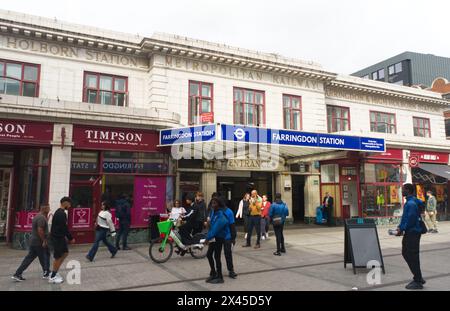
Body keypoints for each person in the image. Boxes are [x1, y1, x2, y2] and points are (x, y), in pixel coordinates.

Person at [396, 183, 425, 290]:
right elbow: (406, 218)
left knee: (411, 255)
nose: (402, 191)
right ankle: (419, 277)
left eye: (403, 189)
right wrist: (400, 227)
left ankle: (418, 280)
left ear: (408, 190)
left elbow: (410, 219)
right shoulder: (411, 202)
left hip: (412, 233)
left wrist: (401, 229)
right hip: (412, 232)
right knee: (408, 254)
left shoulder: (411, 204)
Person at [12, 204, 51, 282]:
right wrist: (44, 240)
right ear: (44, 208)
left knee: (29, 258)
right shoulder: (41, 218)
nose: (49, 209)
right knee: (44, 257)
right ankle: (46, 272)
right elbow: (40, 230)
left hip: (34, 241)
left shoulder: (37, 216)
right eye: (48, 208)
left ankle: (17, 274)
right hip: (39, 242)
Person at [49, 197, 75, 284]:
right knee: (58, 257)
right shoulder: (61, 214)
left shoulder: (60, 212)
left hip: (60, 237)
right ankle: (52, 276)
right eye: (70, 204)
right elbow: (64, 228)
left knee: (65, 253)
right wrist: (70, 238)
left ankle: (55, 271)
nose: (70, 206)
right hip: (58, 238)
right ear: (65, 203)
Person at [205, 197, 229, 284]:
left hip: (219, 238)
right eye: (212, 203)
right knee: (209, 255)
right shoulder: (213, 212)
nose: (213, 205)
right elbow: (211, 226)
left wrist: (207, 238)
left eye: (214, 203)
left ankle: (220, 277)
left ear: (218, 204)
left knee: (217, 256)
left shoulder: (220, 215)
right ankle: (213, 273)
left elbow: (216, 229)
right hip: (213, 237)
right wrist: (208, 223)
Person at [220, 197, 237, 279]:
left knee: (227, 253)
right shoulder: (215, 211)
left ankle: (230, 270)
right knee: (222, 254)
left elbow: (232, 225)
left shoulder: (228, 212)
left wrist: (233, 238)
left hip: (226, 236)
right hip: (221, 236)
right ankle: (220, 271)